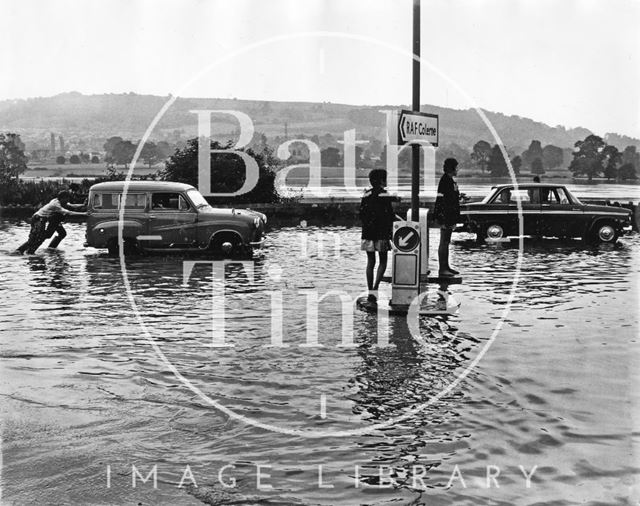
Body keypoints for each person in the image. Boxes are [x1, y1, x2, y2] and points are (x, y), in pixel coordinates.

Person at [360, 169, 400, 302]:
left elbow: (362, 213)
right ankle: (376, 288)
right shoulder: (384, 194)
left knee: (370, 262)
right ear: (382, 180)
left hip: (368, 232)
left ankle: (370, 290)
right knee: (383, 260)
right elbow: (390, 214)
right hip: (381, 232)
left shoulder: (366, 194)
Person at [16, 191, 88, 254]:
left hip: (40, 219)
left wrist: (82, 205)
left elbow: (70, 205)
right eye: (67, 198)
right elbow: (68, 212)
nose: (68, 200)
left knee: (39, 237)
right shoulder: (56, 205)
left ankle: (27, 251)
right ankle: (22, 251)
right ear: (62, 198)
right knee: (38, 238)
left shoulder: (57, 200)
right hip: (38, 218)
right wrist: (84, 214)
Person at [434, 158, 461, 277]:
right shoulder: (446, 181)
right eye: (456, 167)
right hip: (446, 216)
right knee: (444, 242)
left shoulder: (448, 180)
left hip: (449, 215)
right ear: (452, 168)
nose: (458, 170)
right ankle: (442, 268)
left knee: (446, 241)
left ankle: (446, 266)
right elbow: (443, 200)